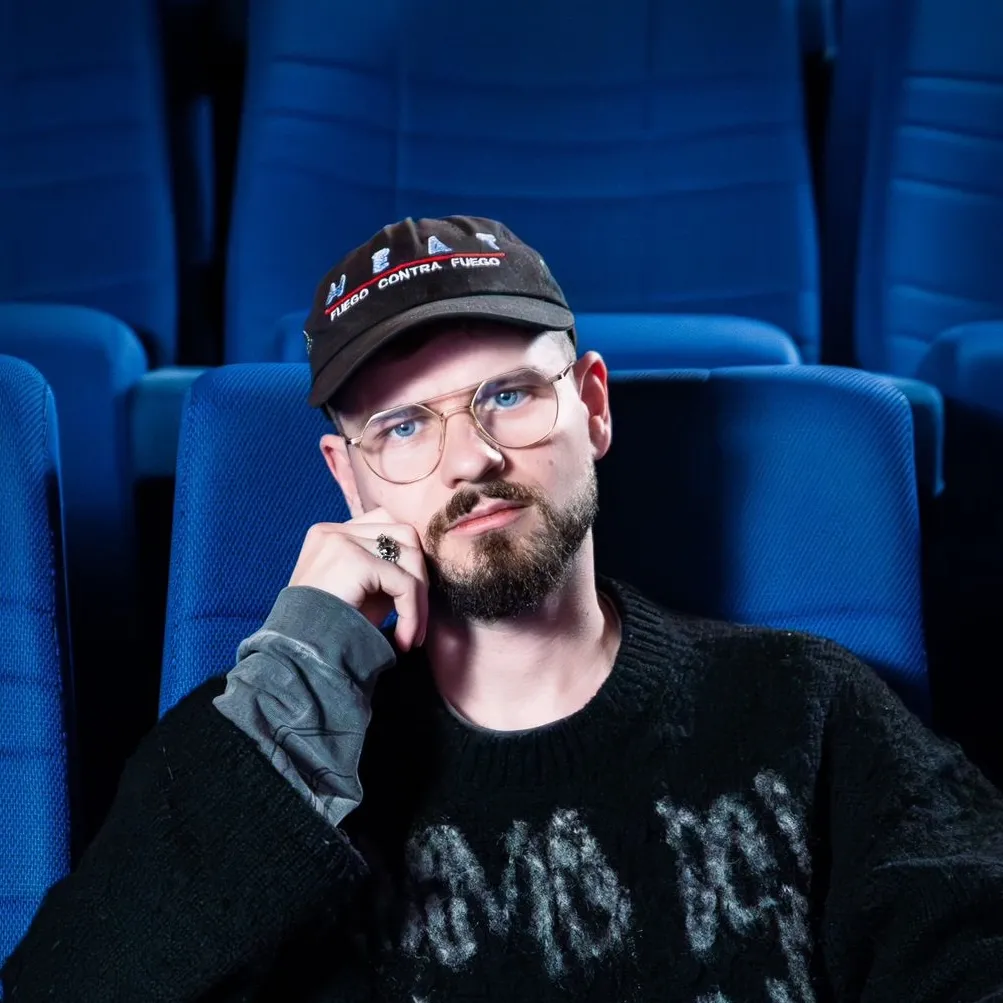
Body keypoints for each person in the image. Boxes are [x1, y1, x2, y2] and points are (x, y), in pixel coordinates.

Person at [5, 216, 1003, 1003]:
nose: (472, 458)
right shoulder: (261, 745)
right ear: (347, 479)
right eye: (403, 427)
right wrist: (291, 688)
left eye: (509, 397)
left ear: (593, 406)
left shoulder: (808, 708)